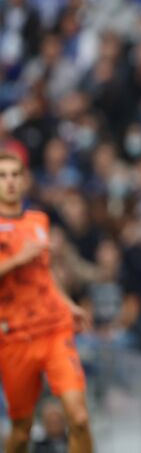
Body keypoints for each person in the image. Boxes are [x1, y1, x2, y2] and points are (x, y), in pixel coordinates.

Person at [0, 150, 93, 453]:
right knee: (22, 431)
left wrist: (68, 303)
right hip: (15, 336)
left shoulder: (38, 219)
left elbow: (44, 272)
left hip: (53, 328)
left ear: (25, 180)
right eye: (2, 176)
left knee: (78, 417)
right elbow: (23, 262)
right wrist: (17, 259)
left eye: (15, 175)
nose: (10, 182)